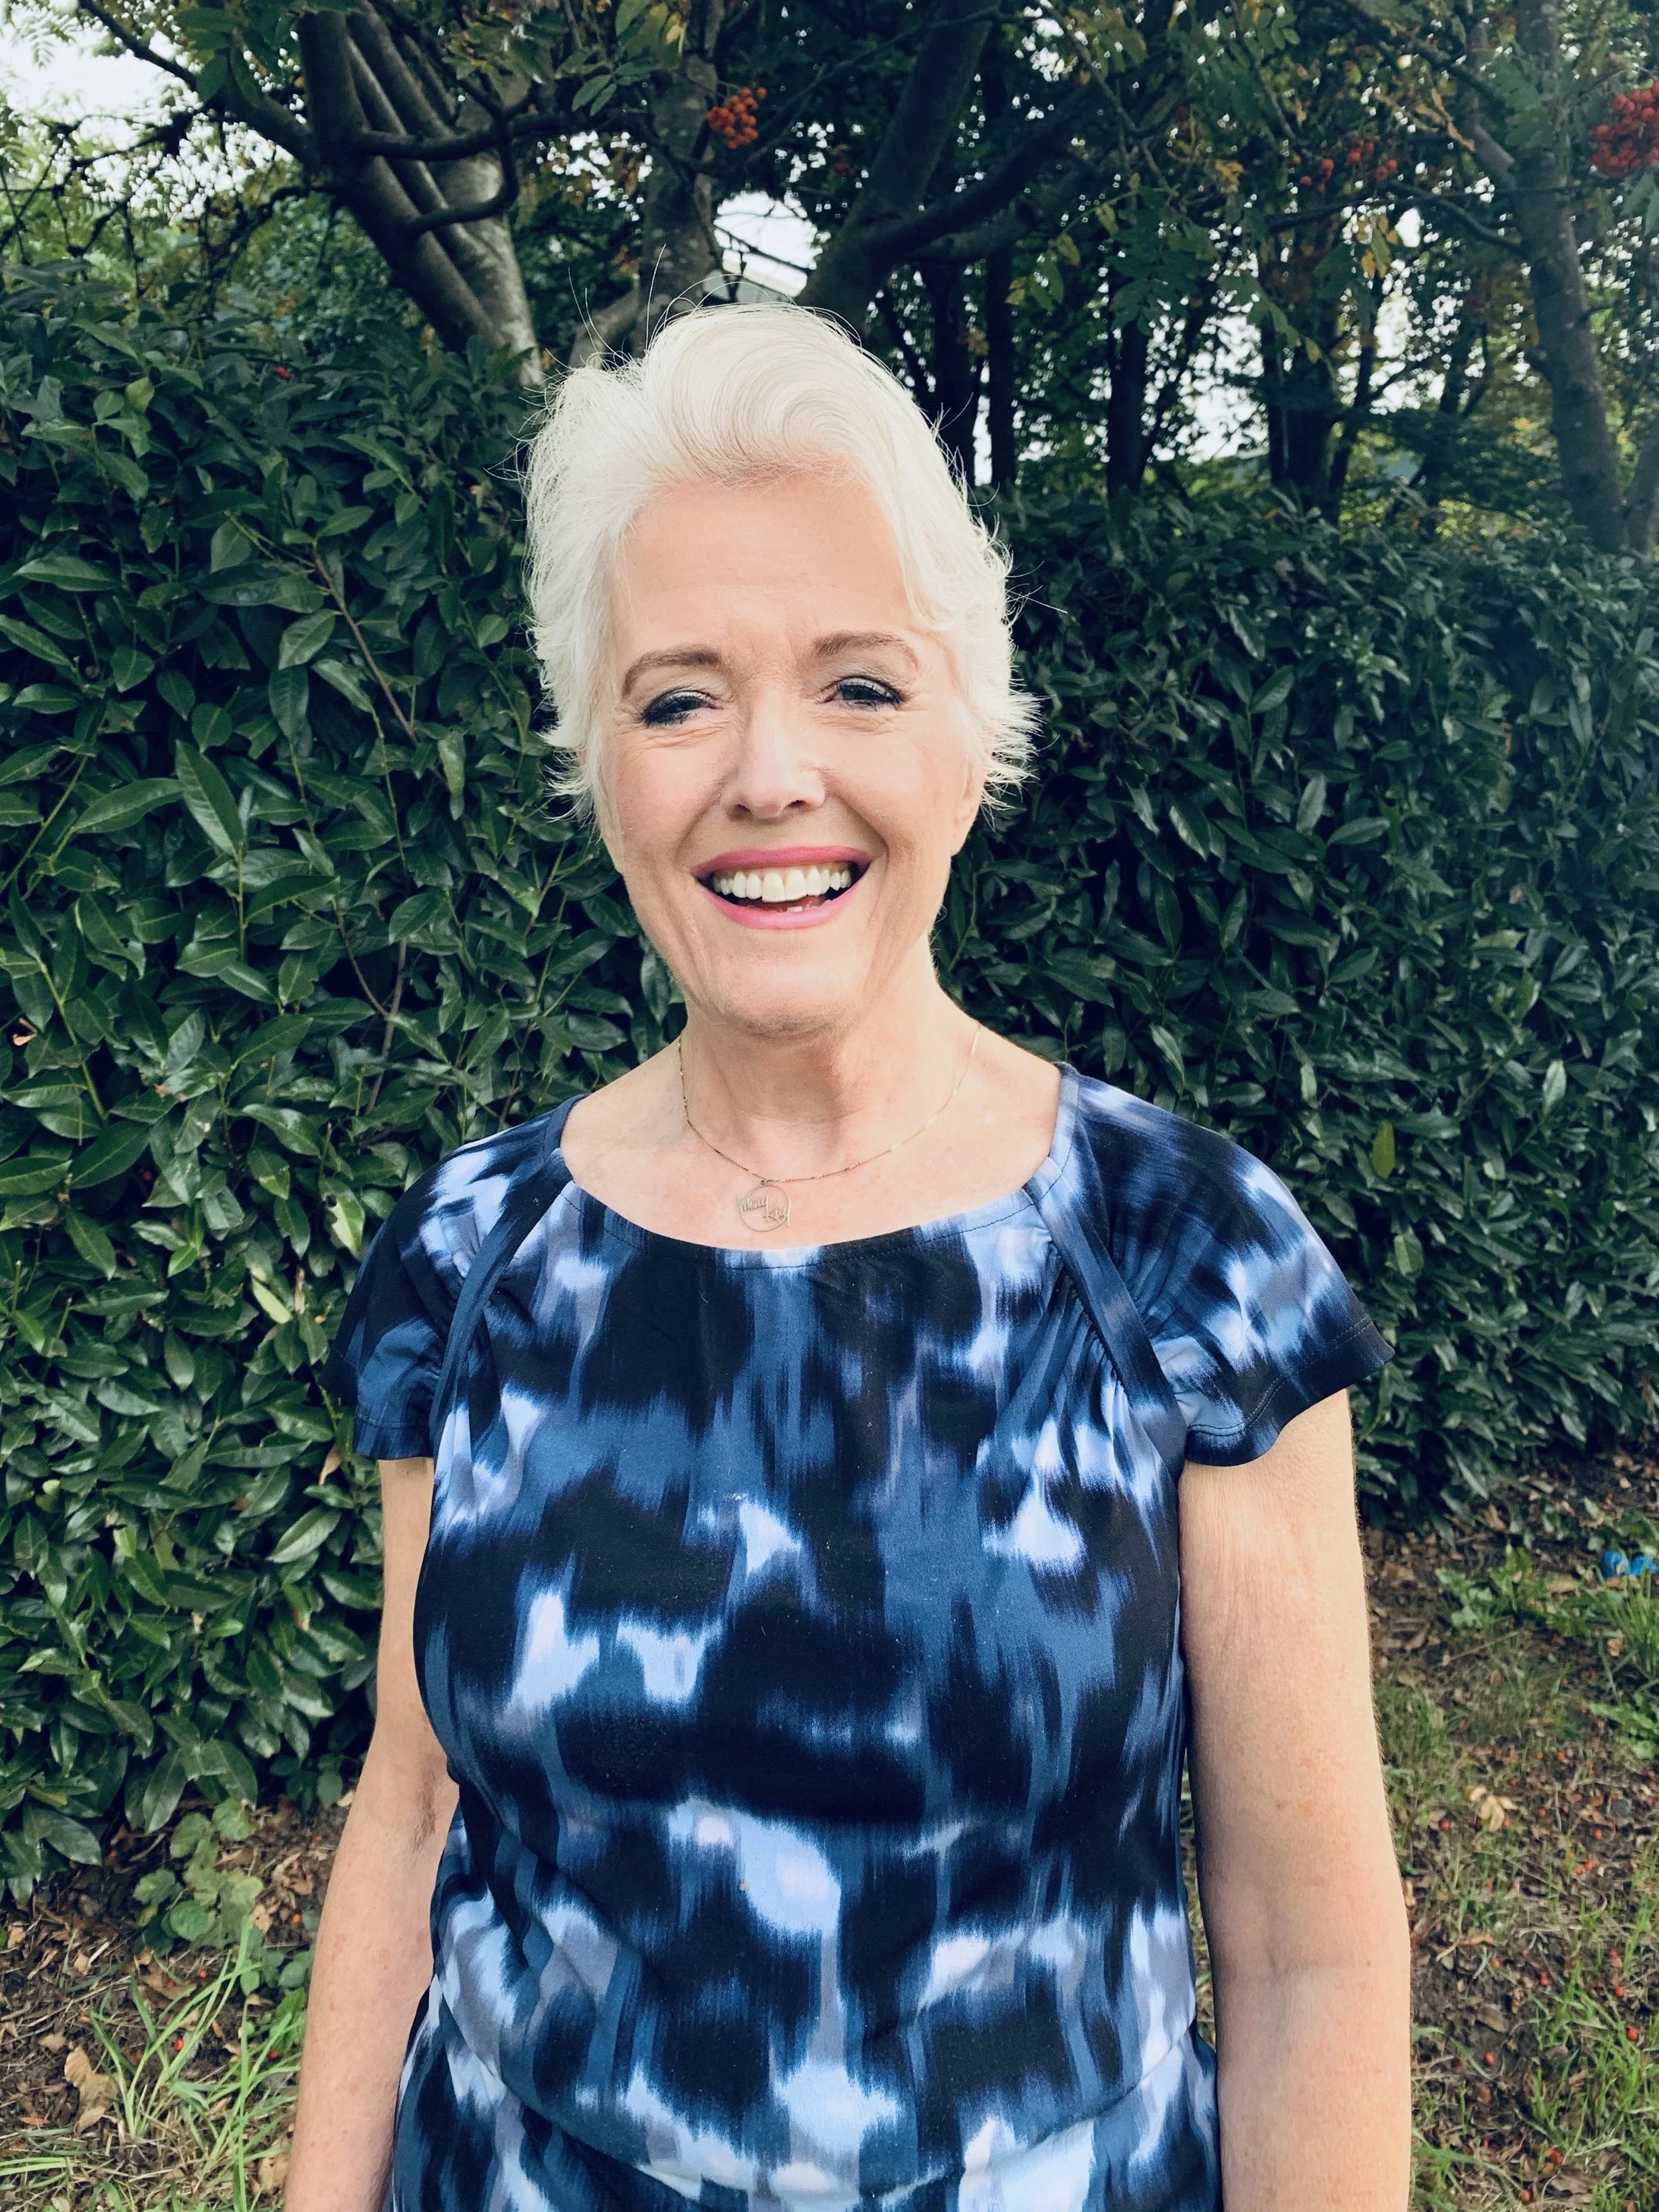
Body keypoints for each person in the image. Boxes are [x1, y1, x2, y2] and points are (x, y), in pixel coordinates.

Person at [288, 304, 1412, 2212]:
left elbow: (1311, 1956)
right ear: (603, 766)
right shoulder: (470, 1253)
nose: (768, 772)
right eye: (677, 695)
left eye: (859, 685)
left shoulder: (1182, 1261)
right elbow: (408, 1825)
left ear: (974, 738)